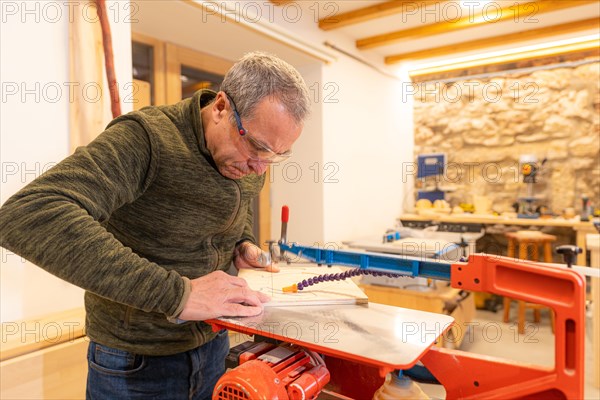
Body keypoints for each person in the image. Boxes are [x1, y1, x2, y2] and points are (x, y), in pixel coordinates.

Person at [0, 51, 311, 399]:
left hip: (214, 345)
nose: (260, 168)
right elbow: (29, 214)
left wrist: (243, 244)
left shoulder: (247, 162)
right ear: (222, 107)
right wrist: (180, 294)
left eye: (277, 156)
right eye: (257, 147)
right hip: (135, 363)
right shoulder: (147, 138)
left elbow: (237, 210)